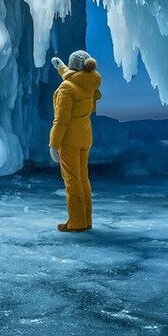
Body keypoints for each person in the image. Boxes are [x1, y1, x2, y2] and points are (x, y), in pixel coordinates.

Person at [48, 49, 102, 232]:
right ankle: (86, 220)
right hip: (85, 138)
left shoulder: (66, 88)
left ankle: (76, 222)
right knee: (83, 179)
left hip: (69, 139)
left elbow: (61, 120)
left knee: (72, 180)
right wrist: (60, 67)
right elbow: (74, 77)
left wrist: (54, 144)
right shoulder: (90, 83)